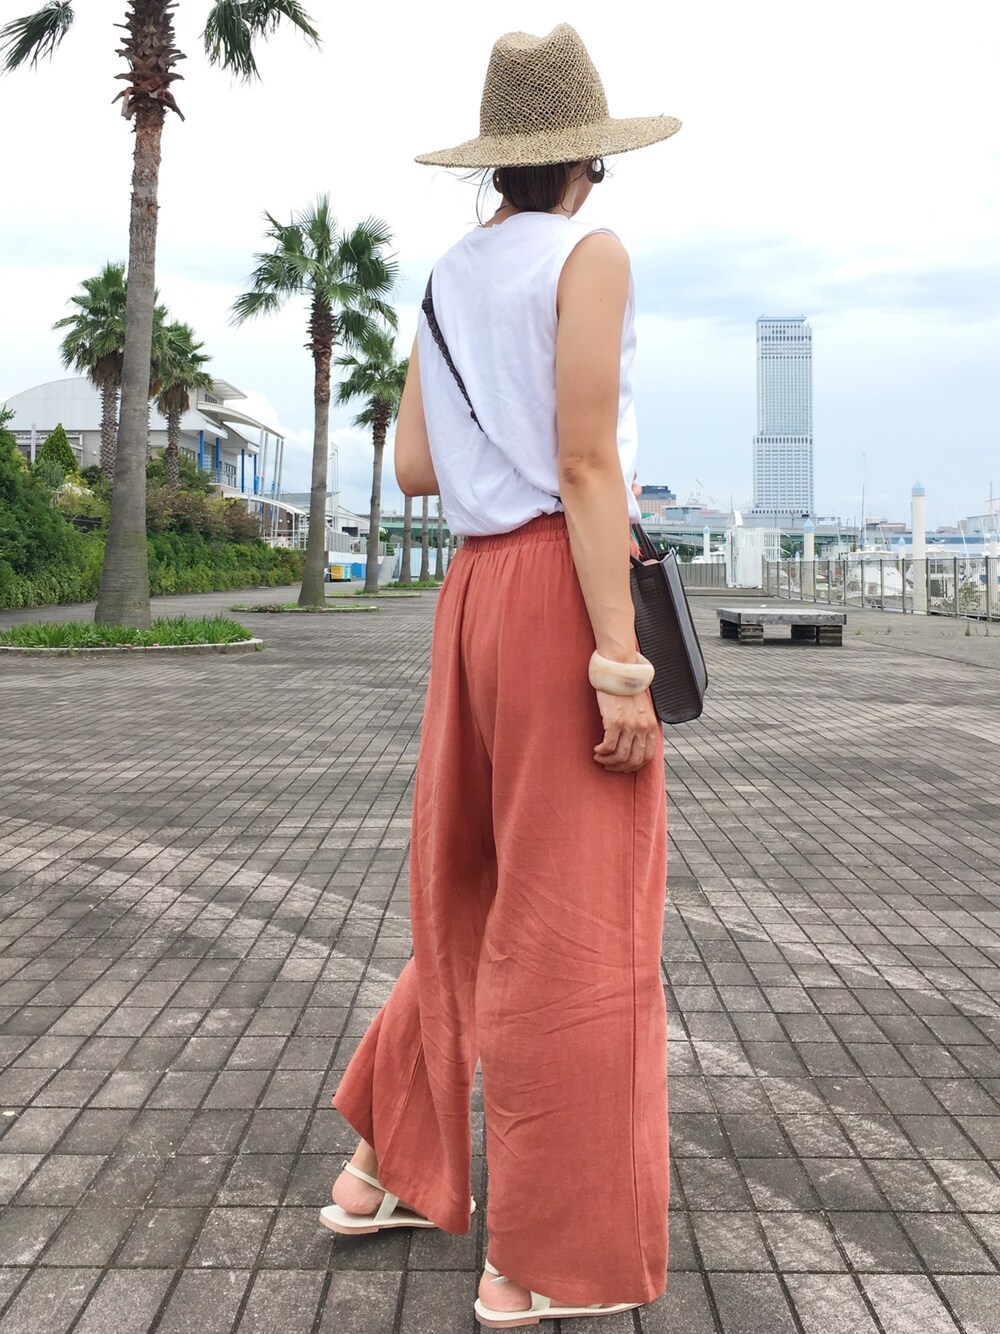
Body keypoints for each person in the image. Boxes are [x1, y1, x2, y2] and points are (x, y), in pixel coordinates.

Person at [321, 22, 681, 1328]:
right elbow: (586, 465)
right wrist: (620, 663)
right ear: (590, 155)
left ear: (497, 159)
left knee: (468, 892)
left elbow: (416, 468)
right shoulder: (593, 254)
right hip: (557, 589)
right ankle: (533, 1257)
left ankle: (382, 1167)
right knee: (577, 915)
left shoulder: (446, 274)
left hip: (471, 595)